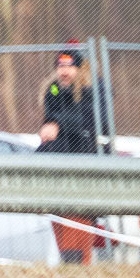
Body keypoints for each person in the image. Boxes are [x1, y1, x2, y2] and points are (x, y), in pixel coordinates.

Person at [38, 46, 102, 263]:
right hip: (56, 178)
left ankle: (77, 273)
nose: (64, 71)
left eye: (69, 66)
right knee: (62, 240)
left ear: (79, 69)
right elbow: (50, 132)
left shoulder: (90, 91)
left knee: (76, 243)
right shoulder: (53, 91)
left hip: (80, 177)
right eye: (61, 65)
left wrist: (58, 124)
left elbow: (84, 121)